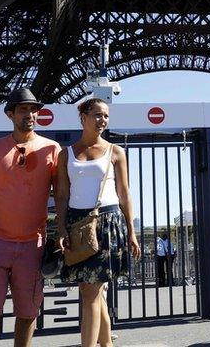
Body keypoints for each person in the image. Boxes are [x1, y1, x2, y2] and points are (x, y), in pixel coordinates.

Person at [0, 88, 61, 347]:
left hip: (33, 242)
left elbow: (61, 195)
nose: (30, 114)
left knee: (28, 309)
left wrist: (62, 231)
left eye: (33, 109)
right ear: (10, 114)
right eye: (23, 109)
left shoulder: (52, 149)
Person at [55, 98, 141, 347]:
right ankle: (107, 345)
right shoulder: (65, 154)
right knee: (93, 290)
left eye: (106, 116)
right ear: (83, 116)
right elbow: (61, 194)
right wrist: (61, 227)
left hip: (108, 223)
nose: (103, 120)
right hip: (76, 224)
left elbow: (124, 193)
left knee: (90, 291)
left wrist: (132, 232)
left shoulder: (116, 151)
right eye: (97, 115)